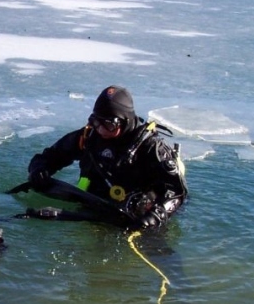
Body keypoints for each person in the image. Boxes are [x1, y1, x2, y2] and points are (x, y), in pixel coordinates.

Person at [25, 85, 188, 229]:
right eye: (96, 122)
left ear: (125, 121)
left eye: (109, 125)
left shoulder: (151, 147)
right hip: (92, 204)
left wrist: (157, 215)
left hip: (136, 215)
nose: (101, 130)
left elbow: (177, 192)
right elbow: (51, 156)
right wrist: (39, 169)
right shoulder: (89, 136)